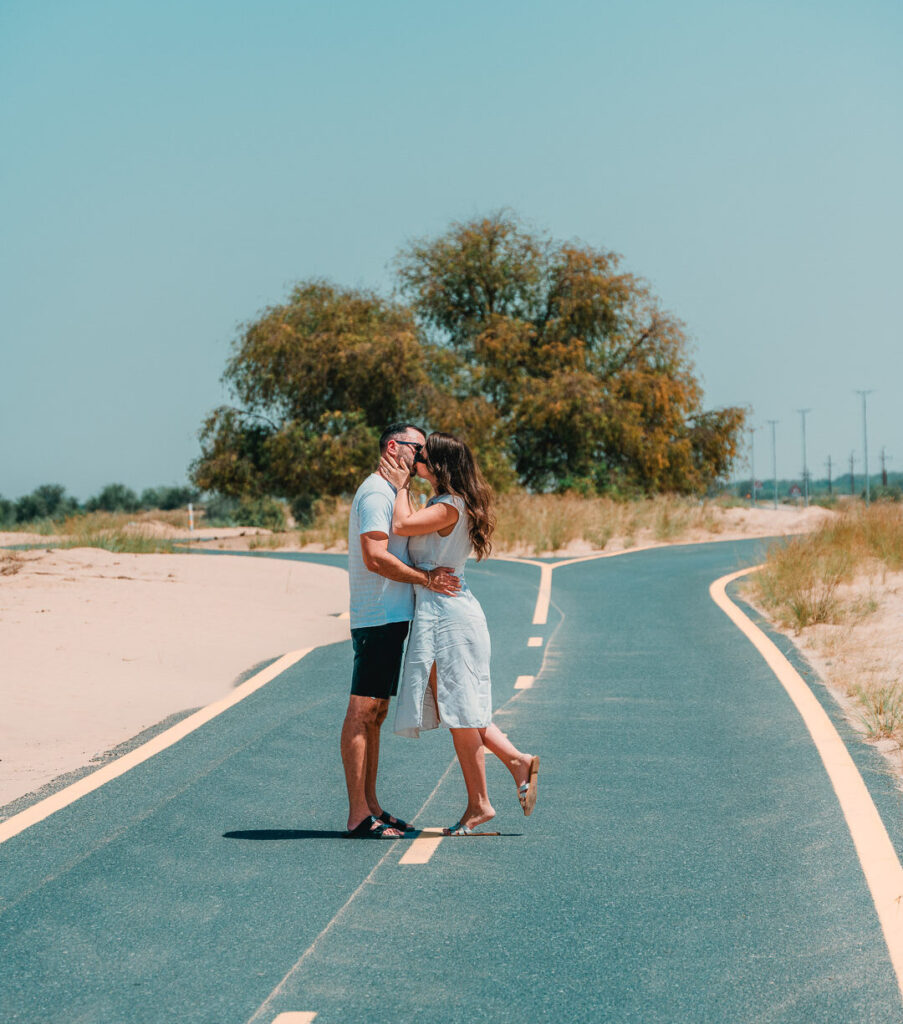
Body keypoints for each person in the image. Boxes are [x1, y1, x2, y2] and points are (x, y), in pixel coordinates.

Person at [380, 431, 540, 836]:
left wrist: (400, 485)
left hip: (450, 619)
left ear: (439, 466)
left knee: (461, 712)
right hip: (440, 615)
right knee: (459, 711)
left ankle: (483, 801)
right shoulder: (441, 502)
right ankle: (510, 770)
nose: (415, 458)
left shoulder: (449, 506)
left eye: (423, 455)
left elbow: (400, 524)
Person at [341, 423, 461, 839]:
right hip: (376, 616)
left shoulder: (391, 492)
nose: (424, 456)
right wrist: (426, 581)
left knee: (376, 711)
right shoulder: (376, 492)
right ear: (395, 447)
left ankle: (371, 806)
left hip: (391, 616)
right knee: (362, 710)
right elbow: (375, 557)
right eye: (418, 448)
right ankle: (359, 815)